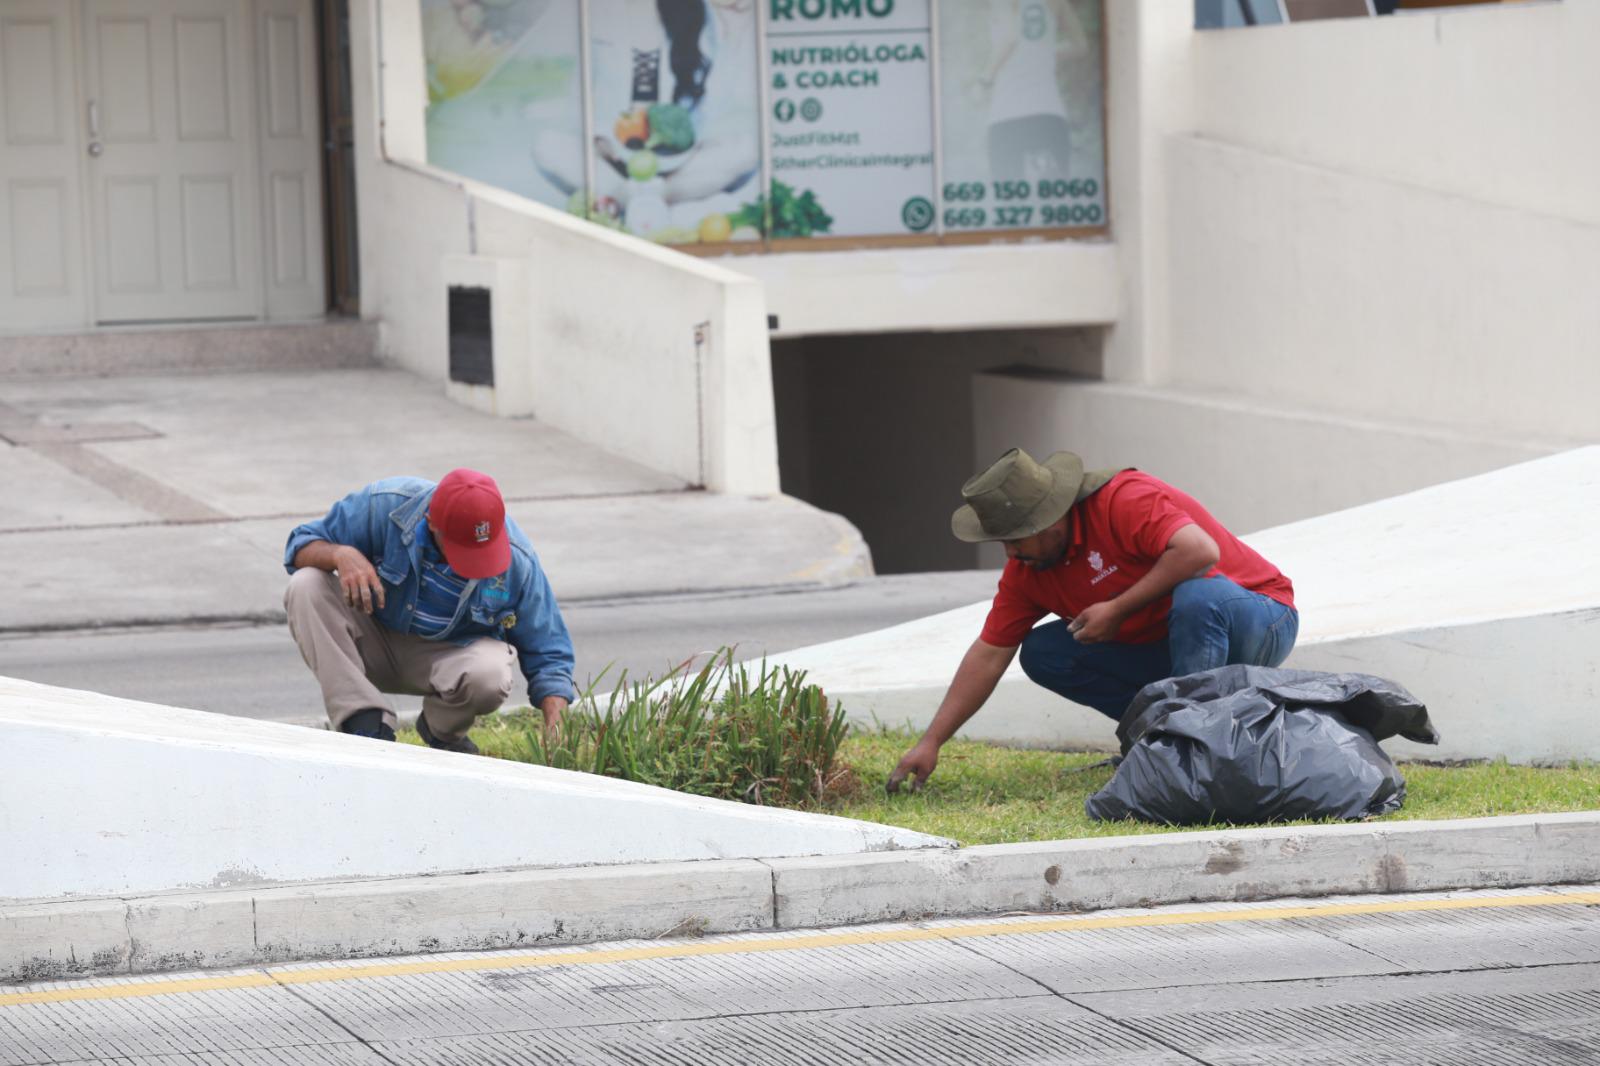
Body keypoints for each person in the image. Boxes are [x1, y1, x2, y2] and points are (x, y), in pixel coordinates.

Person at [886, 448, 1297, 793]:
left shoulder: (1123, 499)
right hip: (1172, 645)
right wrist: (931, 742)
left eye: (1015, 538)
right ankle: (1160, 736)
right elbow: (989, 654)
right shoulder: (1027, 573)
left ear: (1049, 520)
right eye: (1002, 542)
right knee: (1044, 652)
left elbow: (1199, 552)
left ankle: (1189, 749)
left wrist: (1117, 609)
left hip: (1259, 617)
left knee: (1198, 596)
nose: (1010, 553)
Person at [283, 469, 576, 754]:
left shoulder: (518, 559)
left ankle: (441, 731)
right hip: (373, 642)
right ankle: (365, 725)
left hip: (446, 660)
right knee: (306, 584)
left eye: (483, 551)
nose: (475, 566)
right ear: (431, 523)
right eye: (462, 549)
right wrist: (340, 554)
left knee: (491, 674)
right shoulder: (386, 504)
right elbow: (299, 545)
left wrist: (557, 731)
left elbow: (549, 649)